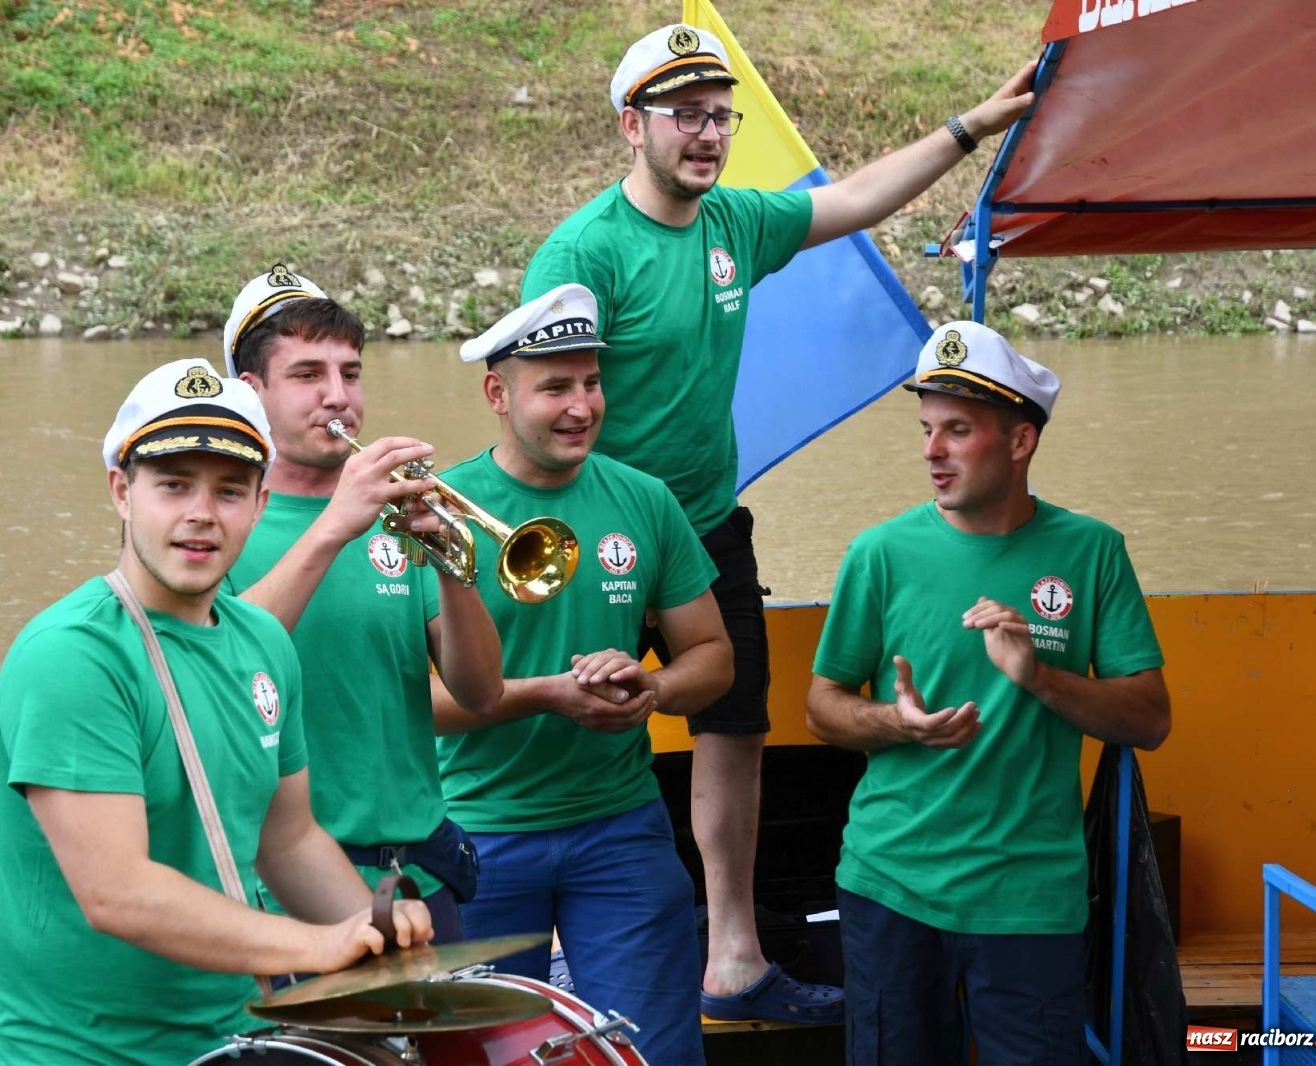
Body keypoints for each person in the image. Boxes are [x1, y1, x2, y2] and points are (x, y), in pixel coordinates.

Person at [519, 22, 1039, 1018]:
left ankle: (733, 958)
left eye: (719, 116)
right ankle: (554, 962)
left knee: (734, 724)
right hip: (595, 533)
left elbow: (848, 201)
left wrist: (967, 127)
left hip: (705, 526)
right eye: (684, 116)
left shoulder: (734, 227)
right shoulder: (582, 252)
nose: (706, 134)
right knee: (577, 721)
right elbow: (539, 401)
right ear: (633, 126)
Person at [0, 358, 432, 1066]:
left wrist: (377, 939)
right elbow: (117, 892)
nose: (201, 513)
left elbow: (288, 839)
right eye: (173, 485)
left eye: (229, 490)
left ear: (260, 504)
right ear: (121, 492)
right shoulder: (73, 657)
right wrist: (318, 945)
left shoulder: (261, 642)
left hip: (231, 1036)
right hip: (84, 1054)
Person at [806, 321, 1172, 1065]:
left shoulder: (1091, 551)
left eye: (958, 431)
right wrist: (895, 722)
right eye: (927, 429)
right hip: (890, 886)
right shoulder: (878, 554)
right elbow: (822, 705)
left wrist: (1038, 674)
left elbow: (1150, 717)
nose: (931, 452)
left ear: (1018, 443)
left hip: (1031, 900)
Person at [430, 284, 740, 1066]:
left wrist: (653, 689)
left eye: (592, 383)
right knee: (483, 1056)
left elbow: (714, 658)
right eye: (556, 387)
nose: (581, 407)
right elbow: (413, 705)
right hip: (479, 831)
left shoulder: (645, 500)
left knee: (653, 1054)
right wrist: (548, 697)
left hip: (621, 830)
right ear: (498, 394)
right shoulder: (435, 512)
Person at [218, 267, 503, 944]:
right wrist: (334, 524)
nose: (337, 398)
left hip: (421, 882)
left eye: (350, 373)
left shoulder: (394, 518)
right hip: (285, 893)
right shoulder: (216, 525)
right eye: (308, 375)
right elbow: (217, 668)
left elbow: (481, 693)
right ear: (250, 393)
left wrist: (453, 567)